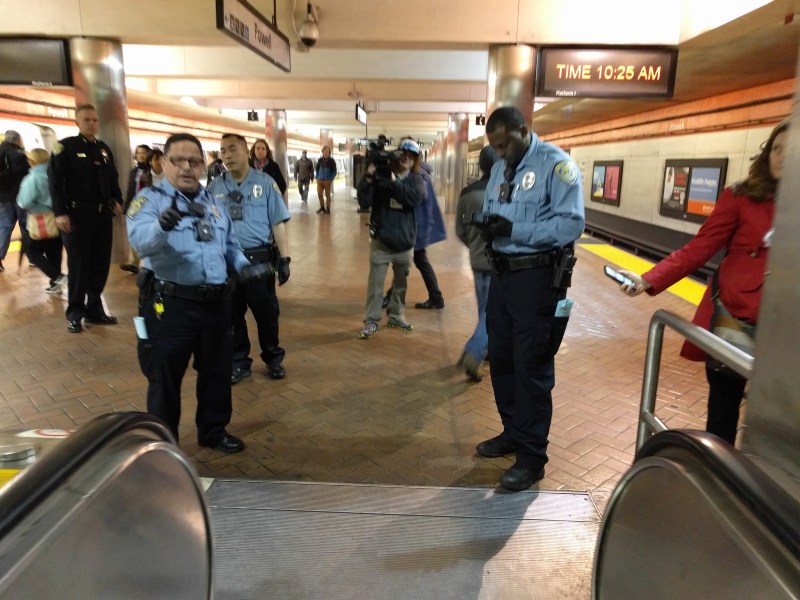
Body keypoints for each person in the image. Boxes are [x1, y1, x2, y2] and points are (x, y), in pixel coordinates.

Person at [618, 119, 788, 445]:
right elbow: (699, 249)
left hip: (785, 326)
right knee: (723, 408)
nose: (780, 156)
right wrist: (647, 279)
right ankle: (721, 474)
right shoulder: (741, 196)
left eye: (789, 149)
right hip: (735, 320)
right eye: (775, 148)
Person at [473, 106, 585, 491]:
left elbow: (572, 222)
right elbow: (494, 207)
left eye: (505, 145)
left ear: (524, 130)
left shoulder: (557, 166)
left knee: (531, 367)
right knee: (501, 360)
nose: (501, 154)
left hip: (537, 280)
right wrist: (490, 226)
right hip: (503, 277)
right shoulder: (500, 169)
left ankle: (532, 457)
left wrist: (515, 228)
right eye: (495, 147)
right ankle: (512, 432)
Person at [126, 132, 260, 454]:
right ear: (164, 163)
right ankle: (163, 443)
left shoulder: (213, 201)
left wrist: (243, 266)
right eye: (179, 160)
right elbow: (141, 243)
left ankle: (213, 431)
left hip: (215, 304)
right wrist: (162, 226)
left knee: (216, 372)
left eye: (195, 161)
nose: (187, 167)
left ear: (203, 164)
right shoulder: (149, 200)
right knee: (165, 378)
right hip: (169, 305)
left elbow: (229, 244)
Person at [209, 133, 291, 383]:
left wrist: (285, 258)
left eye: (232, 149)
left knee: (267, 315)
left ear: (247, 151)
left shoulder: (265, 183)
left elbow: (277, 222)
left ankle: (273, 358)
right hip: (227, 263)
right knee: (232, 316)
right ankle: (239, 362)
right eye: (223, 151)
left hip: (259, 261)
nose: (227, 155)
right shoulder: (215, 186)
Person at [49, 104, 123, 333]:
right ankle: (75, 313)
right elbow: (54, 182)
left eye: (94, 120)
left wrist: (117, 199)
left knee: (100, 264)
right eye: (87, 120)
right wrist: (60, 212)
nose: (92, 123)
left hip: (102, 215)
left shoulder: (103, 149)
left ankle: (94, 309)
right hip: (76, 216)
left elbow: (112, 178)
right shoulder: (66, 147)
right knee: (79, 265)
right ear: (77, 122)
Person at [357, 138, 425, 339]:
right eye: (402, 154)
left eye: (410, 156)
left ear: (414, 161)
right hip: (381, 241)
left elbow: (412, 199)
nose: (405, 158)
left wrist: (394, 182)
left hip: (405, 243)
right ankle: (371, 320)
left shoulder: (416, 180)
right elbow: (364, 201)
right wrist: (368, 178)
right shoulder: (380, 175)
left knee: (400, 284)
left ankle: (396, 315)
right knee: (376, 285)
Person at [455, 146, 499, 382]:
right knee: (491, 314)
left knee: (484, 309)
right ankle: (474, 351)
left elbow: (460, 230)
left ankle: (483, 349)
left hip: (476, 259)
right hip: (498, 261)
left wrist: (473, 244)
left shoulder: (466, 193)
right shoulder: (503, 191)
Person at [16, 148, 67, 294]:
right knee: (54, 252)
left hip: (40, 220)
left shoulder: (32, 179)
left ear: (32, 161)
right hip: (58, 217)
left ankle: (58, 277)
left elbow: (24, 202)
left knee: (33, 252)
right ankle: (55, 285)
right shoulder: (56, 175)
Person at [0, 130, 30, 273]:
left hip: (3, 198)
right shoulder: (20, 155)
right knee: (26, 227)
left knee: (4, 227)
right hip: (20, 197)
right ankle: (32, 256)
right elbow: (28, 176)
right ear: (17, 140)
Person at [120, 144, 152, 274]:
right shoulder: (134, 171)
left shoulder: (152, 170)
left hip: (148, 205)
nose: (141, 155)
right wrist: (126, 207)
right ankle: (133, 262)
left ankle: (148, 263)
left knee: (147, 234)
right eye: (138, 153)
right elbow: (130, 190)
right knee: (133, 232)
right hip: (135, 206)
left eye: (143, 153)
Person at [315, 146, 337, 214]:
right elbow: (317, 169)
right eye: (324, 151)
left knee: (327, 195)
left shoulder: (332, 161)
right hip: (320, 180)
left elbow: (334, 171)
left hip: (327, 180)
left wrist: (331, 178)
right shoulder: (320, 160)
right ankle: (322, 207)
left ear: (329, 152)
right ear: (322, 152)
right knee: (319, 194)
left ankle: (328, 209)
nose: (326, 153)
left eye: (327, 151)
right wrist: (317, 177)